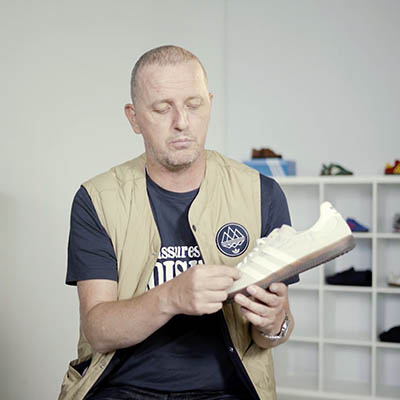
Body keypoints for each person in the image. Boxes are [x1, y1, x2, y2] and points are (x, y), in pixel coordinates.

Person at [59, 45, 298, 400]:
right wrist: (172, 296)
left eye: (193, 104)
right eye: (162, 108)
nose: (182, 122)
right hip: (123, 389)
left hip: (227, 391)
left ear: (209, 104)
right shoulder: (97, 199)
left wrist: (275, 322)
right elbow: (98, 330)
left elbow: (271, 332)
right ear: (134, 118)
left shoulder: (262, 194)